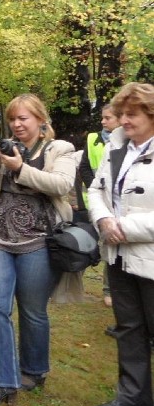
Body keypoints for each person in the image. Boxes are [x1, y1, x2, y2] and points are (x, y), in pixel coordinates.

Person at [0, 94, 76, 406]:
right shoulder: (7, 148)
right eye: (12, 119)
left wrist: (20, 168)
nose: (16, 125)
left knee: (32, 311)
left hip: (38, 241)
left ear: (40, 120)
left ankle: (33, 369)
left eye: (23, 119)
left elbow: (61, 184)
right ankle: (3, 381)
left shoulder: (60, 149)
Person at [88, 82, 154, 406]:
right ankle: (133, 399)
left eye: (132, 114)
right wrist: (103, 220)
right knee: (129, 329)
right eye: (122, 114)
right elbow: (96, 190)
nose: (123, 120)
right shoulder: (117, 148)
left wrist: (124, 227)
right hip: (118, 255)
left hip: (149, 258)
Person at [81, 104, 121, 308]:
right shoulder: (92, 139)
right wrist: (95, 189)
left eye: (108, 118)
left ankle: (110, 290)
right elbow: (85, 167)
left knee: (112, 248)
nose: (103, 122)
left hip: (119, 206)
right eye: (102, 118)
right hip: (95, 203)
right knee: (91, 245)